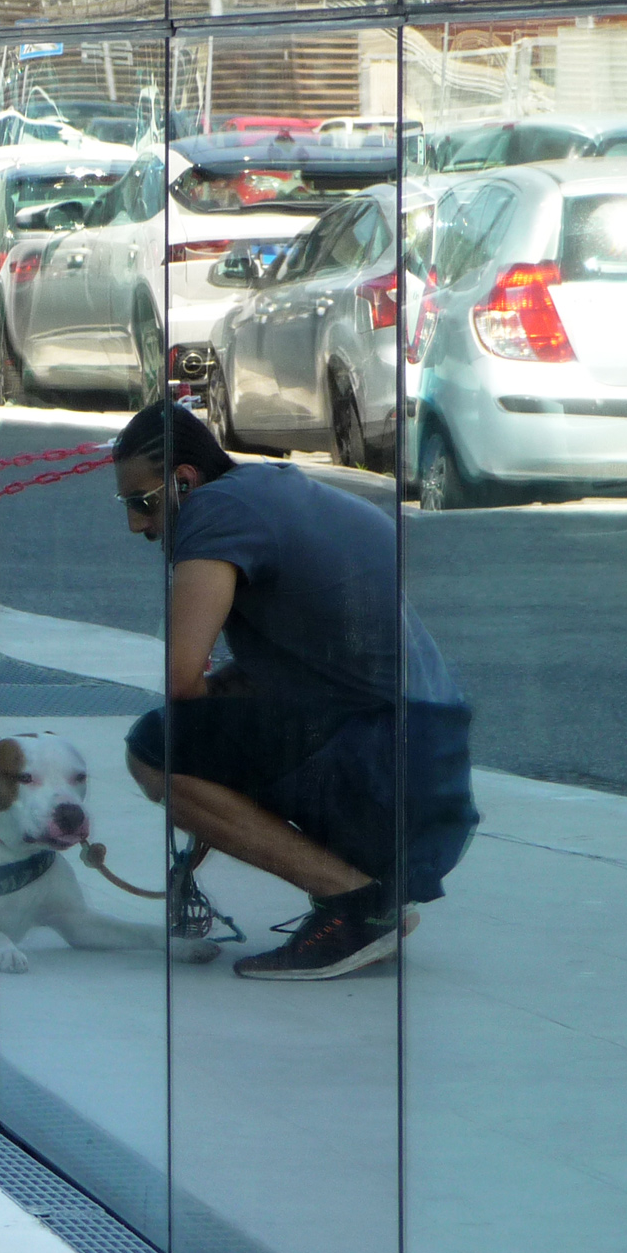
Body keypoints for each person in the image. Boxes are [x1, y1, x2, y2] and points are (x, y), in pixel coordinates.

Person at [115, 401, 478, 980]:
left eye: (141, 503)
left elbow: (182, 680)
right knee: (212, 729)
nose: (138, 525)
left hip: (385, 762)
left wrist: (209, 774)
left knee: (158, 748)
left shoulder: (214, 510)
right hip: (426, 760)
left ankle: (360, 907)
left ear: (184, 481)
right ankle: (366, 897)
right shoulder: (273, 487)